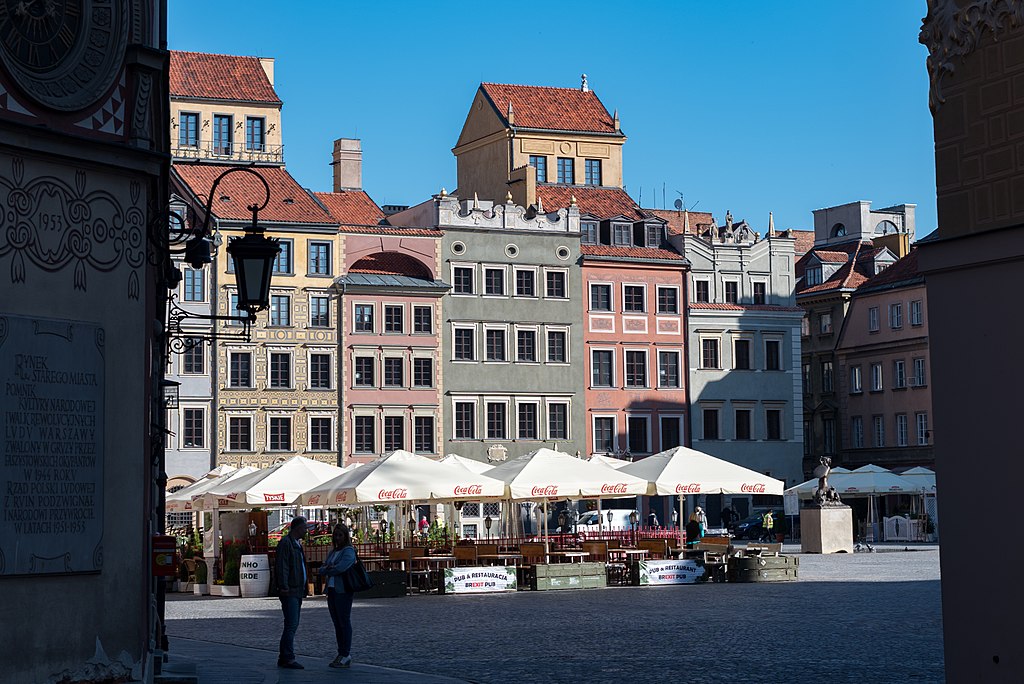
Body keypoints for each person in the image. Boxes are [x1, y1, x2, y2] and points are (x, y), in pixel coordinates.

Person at [319, 523, 357, 669]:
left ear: (345, 536)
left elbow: (341, 567)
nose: (338, 538)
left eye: (340, 535)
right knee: (337, 623)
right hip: (332, 589)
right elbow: (323, 568)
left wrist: (330, 568)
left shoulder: (348, 551)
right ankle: (340, 653)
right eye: (336, 535)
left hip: (343, 590)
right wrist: (329, 568)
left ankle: (345, 653)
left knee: (344, 621)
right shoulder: (333, 551)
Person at [274, 516, 308, 669]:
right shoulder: (286, 543)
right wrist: (284, 586)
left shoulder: (297, 544)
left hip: (297, 589)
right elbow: (282, 566)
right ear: (298, 528)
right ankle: (288, 657)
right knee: (291, 624)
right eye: (304, 528)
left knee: (292, 624)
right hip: (290, 590)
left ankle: (285, 656)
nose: (306, 530)